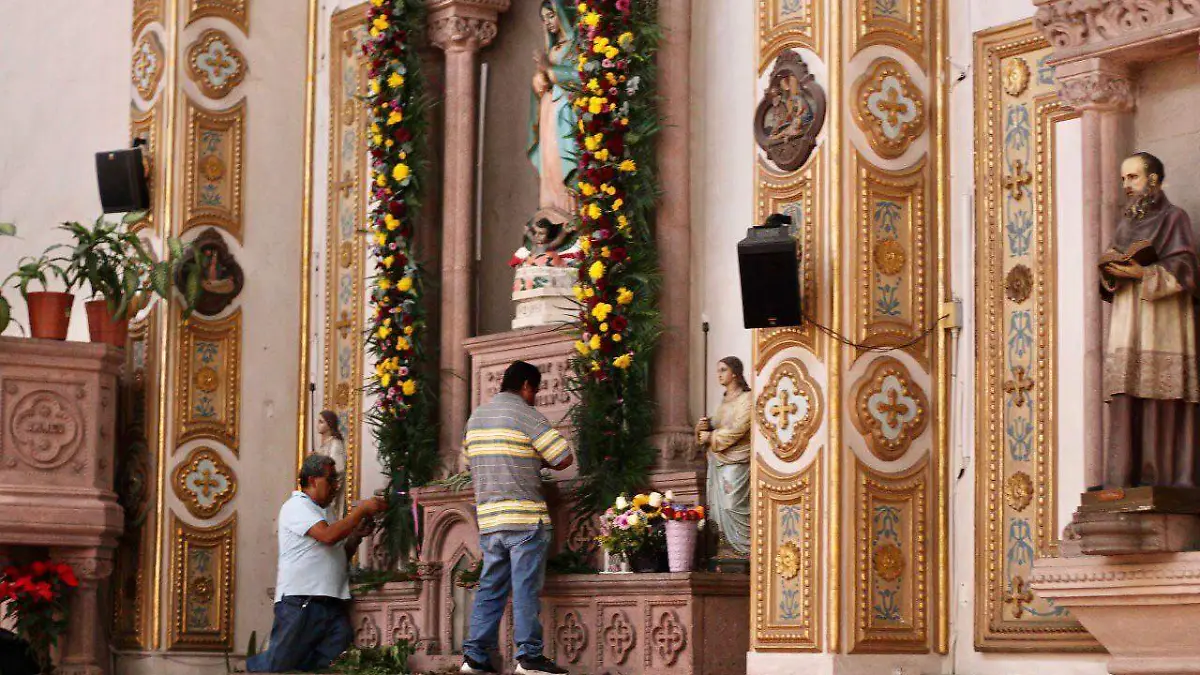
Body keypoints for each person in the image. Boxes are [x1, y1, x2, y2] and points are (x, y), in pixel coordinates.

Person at [460, 361, 574, 675]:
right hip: (524, 518)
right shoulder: (524, 414)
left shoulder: (476, 418)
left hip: (490, 519)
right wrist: (534, 458)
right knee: (525, 587)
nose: (534, 396)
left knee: (490, 588)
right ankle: (528, 657)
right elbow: (564, 457)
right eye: (534, 390)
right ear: (526, 386)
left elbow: (468, 463)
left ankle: (475, 657)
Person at [1099, 152, 1200, 488]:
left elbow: (1186, 270)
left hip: (1162, 319)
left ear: (1153, 179)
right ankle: (1123, 478)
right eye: (1124, 178)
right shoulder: (1125, 224)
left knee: (1160, 393)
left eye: (1133, 177)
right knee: (1127, 391)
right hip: (1129, 317)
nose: (1126, 185)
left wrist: (1142, 272)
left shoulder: (1175, 218)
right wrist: (1110, 276)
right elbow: (1111, 273)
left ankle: (1163, 479)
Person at [246, 454, 386, 672]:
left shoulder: (326, 512)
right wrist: (360, 511)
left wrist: (356, 536)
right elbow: (328, 536)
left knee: (331, 659)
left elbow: (336, 557)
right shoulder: (296, 506)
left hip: (330, 603)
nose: (335, 486)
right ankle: (249, 669)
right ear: (312, 480)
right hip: (302, 601)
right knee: (279, 663)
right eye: (330, 480)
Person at [695, 356, 753, 556]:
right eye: (717, 370)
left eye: (723, 370)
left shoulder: (747, 399)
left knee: (732, 506)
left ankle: (745, 552)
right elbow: (720, 422)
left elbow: (738, 429)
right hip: (718, 462)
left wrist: (711, 436)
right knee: (716, 511)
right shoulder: (724, 400)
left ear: (735, 373)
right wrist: (705, 425)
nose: (718, 374)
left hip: (737, 462)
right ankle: (724, 550)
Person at [315, 410, 347, 517]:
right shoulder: (324, 445)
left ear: (329, 424)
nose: (318, 425)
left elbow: (338, 470)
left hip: (328, 495)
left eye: (321, 422)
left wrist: (327, 489)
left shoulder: (335, 444)